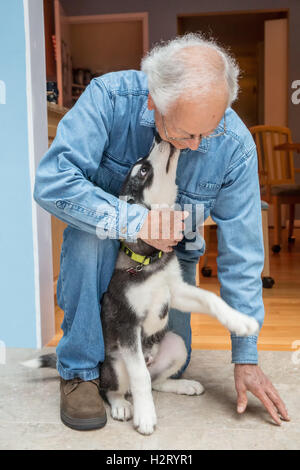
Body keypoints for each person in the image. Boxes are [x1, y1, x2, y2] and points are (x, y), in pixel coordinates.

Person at [34, 33, 289, 430]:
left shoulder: (234, 145)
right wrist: (135, 222)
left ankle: (111, 365)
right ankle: (80, 371)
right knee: (88, 235)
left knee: (172, 355)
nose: (195, 146)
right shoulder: (111, 97)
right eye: (185, 134)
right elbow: (52, 181)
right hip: (108, 247)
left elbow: (243, 255)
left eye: (208, 131)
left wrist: (246, 355)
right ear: (153, 99)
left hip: (173, 258)